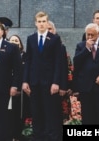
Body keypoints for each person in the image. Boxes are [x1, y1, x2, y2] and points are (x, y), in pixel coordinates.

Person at [22, 11, 62, 141]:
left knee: (50, 112)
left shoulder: (55, 39)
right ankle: (38, 137)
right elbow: (28, 60)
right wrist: (25, 81)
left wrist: (56, 82)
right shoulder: (31, 38)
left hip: (49, 82)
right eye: (39, 22)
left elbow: (58, 62)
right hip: (34, 82)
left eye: (44, 21)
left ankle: (52, 137)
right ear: (35, 23)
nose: (41, 24)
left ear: (47, 22)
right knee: (36, 112)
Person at [73, 23, 99, 124]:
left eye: (92, 35)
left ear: (98, 33)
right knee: (88, 116)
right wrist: (87, 49)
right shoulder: (81, 45)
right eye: (87, 34)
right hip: (86, 87)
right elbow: (77, 62)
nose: (89, 37)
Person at [9, 34, 27, 141]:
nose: (14, 42)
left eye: (16, 40)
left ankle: (18, 134)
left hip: (22, 90)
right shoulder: (5, 54)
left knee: (20, 114)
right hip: (8, 89)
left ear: (20, 43)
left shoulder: (25, 56)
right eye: (12, 40)